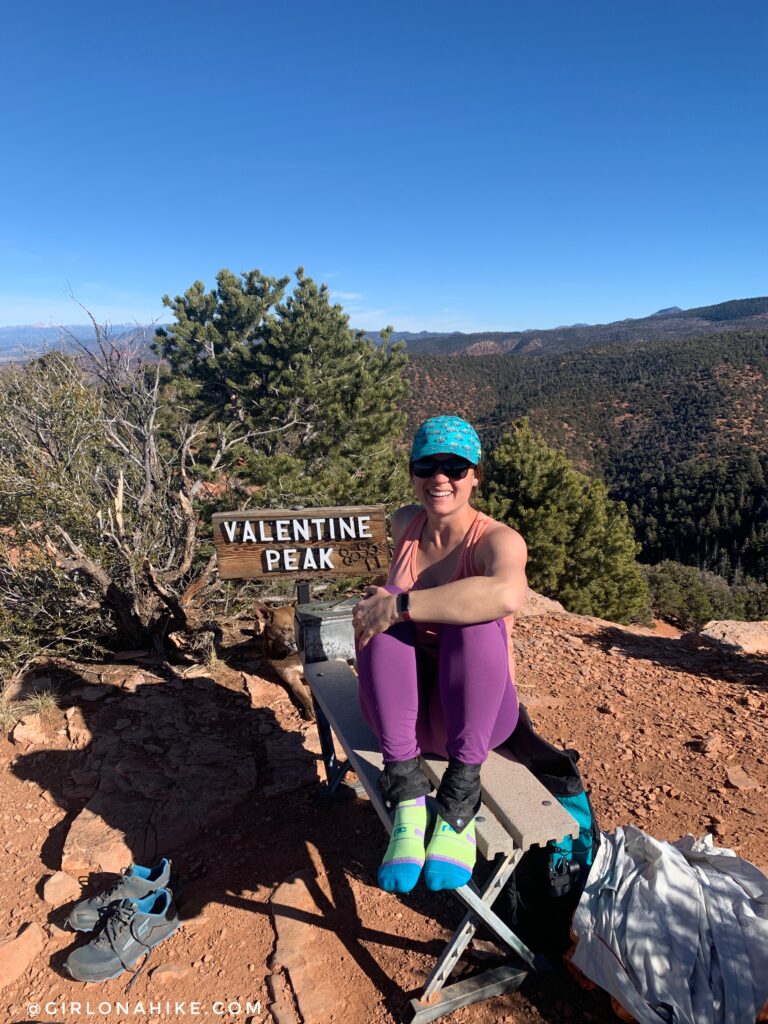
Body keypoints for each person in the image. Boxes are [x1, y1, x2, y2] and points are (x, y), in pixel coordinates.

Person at [352, 415, 528, 893]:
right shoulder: (404, 523)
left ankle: (457, 804)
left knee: (471, 621)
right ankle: (407, 798)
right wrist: (383, 603)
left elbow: (508, 594)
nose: (440, 478)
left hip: (475, 722)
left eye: (455, 466)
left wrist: (402, 604)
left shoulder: (497, 540)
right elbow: (384, 610)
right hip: (401, 722)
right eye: (427, 466)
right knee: (379, 602)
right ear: (412, 472)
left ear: (475, 475)